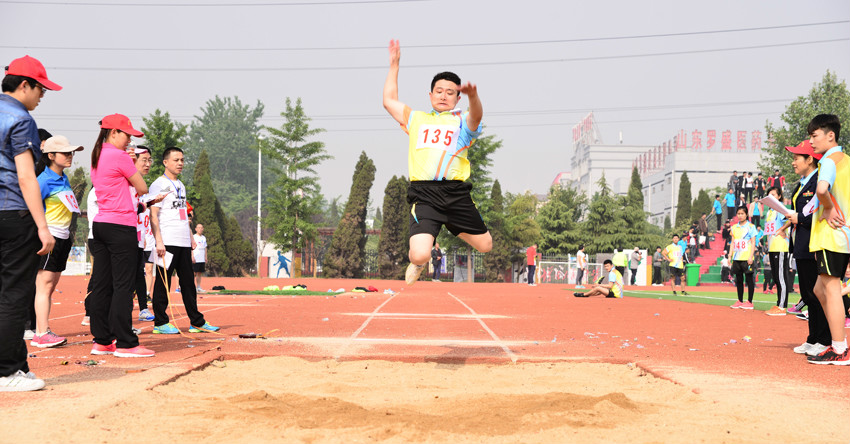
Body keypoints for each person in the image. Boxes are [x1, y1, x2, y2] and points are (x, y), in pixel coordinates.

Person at [382, 40, 491, 285]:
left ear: (458, 98)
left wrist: (474, 97)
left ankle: (447, 223)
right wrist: (394, 65)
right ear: (430, 95)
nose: (444, 96)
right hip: (426, 194)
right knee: (420, 252)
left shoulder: (463, 121)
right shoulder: (416, 119)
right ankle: (419, 261)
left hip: (456, 195)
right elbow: (388, 101)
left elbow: (477, 116)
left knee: (485, 245)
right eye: (439, 91)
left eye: (450, 92)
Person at [0, 56, 59, 392]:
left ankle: (17, 365)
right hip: (13, 213)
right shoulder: (20, 119)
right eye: (41, 89)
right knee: (14, 296)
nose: (41, 96)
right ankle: (6, 372)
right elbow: (25, 175)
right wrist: (42, 226)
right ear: (24, 85)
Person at [88, 114, 154, 358]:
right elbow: (142, 187)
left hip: (102, 224)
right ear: (113, 132)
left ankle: (102, 340)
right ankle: (126, 342)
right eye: (127, 135)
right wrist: (131, 164)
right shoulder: (118, 157)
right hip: (120, 226)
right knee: (123, 286)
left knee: (102, 284)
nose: (129, 141)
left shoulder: (97, 155)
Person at [149, 147, 219, 335]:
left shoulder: (181, 186)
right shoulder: (159, 185)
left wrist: (189, 237)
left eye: (182, 160)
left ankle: (196, 322)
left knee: (188, 283)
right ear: (165, 162)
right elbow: (153, 215)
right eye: (176, 160)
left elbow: (183, 215)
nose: (180, 163)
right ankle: (160, 322)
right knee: (163, 284)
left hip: (182, 242)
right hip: (167, 242)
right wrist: (159, 241)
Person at [29, 136, 84, 349]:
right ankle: (40, 333)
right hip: (48, 238)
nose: (70, 157)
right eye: (65, 153)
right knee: (43, 285)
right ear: (51, 156)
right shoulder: (43, 180)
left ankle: (44, 329)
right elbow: (31, 208)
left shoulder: (64, 178)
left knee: (50, 287)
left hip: (62, 238)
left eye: (71, 153)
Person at [806, 113, 849, 364]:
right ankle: (836, 340)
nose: (811, 142)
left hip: (832, 235)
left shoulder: (829, 162)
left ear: (830, 135)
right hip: (843, 235)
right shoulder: (847, 161)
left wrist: (829, 208)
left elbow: (822, 190)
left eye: (815, 135)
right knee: (819, 288)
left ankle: (840, 348)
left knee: (830, 289)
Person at [783, 139, 830, 356]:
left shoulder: (818, 183)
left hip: (814, 244)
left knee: (816, 294)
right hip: (801, 244)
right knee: (807, 294)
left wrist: (798, 217)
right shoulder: (802, 184)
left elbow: (818, 215)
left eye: (796, 158)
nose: (793, 162)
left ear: (809, 159)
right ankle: (813, 338)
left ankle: (824, 339)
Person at [131, 146, 160, 322]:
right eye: (144, 160)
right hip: (124, 238)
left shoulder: (144, 187)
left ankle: (143, 308)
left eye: (150, 160)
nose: (148, 164)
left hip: (141, 240)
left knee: (140, 274)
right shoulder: (127, 183)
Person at [762, 186, 791, 316]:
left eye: (774, 195)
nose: (771, 197)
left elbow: (791, 217)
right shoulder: (769, 212)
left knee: (781, 277)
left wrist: (783, 229)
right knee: (776, 277)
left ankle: (782, 306)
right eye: (769, 195)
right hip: (772, 247)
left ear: (779, 196)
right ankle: (779, 303)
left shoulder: (780, 208)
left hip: (780, 247)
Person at [729, 206, 757, 309]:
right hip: (736, 258)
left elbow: (753, 242)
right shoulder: (734, 227)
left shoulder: (751, 226)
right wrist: (729, 256)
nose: (740, 216)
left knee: (749, 280)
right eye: (738, 214)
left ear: (746, 215)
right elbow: (732, 242)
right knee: (739, 280)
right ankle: (740, 300)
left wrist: (751, 256)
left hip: (747, 258)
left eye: (742, 214)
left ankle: (750, 302)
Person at [193, 223, 207, 292]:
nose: (200, 229)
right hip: (195, 258)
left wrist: (205, 257)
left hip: (201, 258)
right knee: (193, 273)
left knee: (199, 273)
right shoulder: (194, 237)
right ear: (196, 229)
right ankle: (192, 287)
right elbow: (191, 248)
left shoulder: (204, 237)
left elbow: (205, 248)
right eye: (198, 227)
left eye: (201, 228)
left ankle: (198, 287)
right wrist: (192, 256)